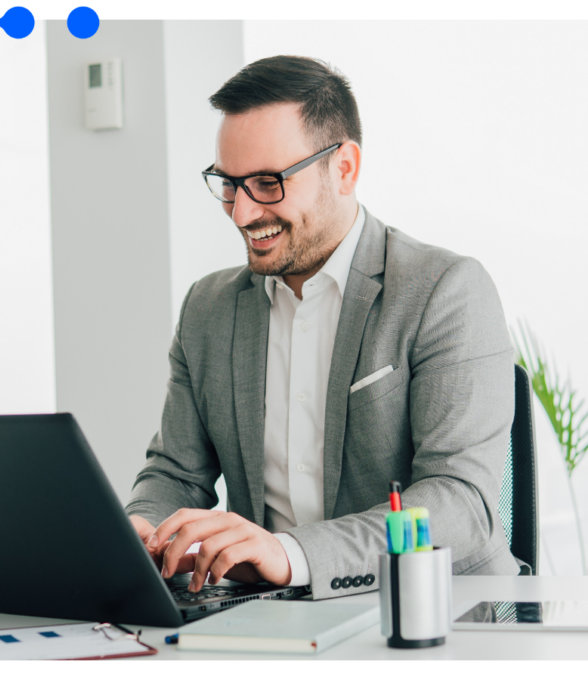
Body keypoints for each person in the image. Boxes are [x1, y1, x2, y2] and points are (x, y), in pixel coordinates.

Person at [125, 55, 521, 600]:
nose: (241, 213)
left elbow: (460, 503)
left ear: (345, 168)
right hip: (270, 616)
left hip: (431, 614)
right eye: (228, 183)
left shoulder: (445, 290)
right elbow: (175, 471)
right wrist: (142, 527)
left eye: (268, 183)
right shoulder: (208, 308)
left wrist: (289, 554)